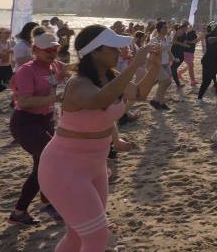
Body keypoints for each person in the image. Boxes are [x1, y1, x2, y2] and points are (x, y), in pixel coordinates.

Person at [38, 25, 160, 251]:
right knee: (97, 237)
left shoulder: (111, 78)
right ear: (95, 51)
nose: (119, 52)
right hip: (64, 169)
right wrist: (134, 65)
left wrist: (154, 65)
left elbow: (141, 93)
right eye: (113, 47)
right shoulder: (78, 83)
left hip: (95, 168)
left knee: (77, 236)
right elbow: (99, 101)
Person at [8, 32, 67, 225]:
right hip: (25, 122)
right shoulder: (26, 70)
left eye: (55, 49)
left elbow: (68, 70)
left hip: (46, 120)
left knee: (42, 165)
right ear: (34, 50)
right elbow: (23, 102)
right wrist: (53, 98)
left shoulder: (54, 65)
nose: (52, 53)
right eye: (47, 49)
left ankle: (21, 212)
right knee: (50, 161)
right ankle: (45, 203)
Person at [198, 20, 217, 101]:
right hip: (208, 61)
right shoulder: (209, 36)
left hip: (216, 60)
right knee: (206, 81)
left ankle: (215, 86)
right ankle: (199, 98)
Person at [149, 20, 173, 110]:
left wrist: (173, 58)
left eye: (167, 27)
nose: (167, 29)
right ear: (159, 29)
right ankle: (156, 101)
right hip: (158, 64)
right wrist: (158, 50)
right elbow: (151, 53)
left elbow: (168, 50)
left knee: (164, 84)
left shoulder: (167, 39)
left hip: (166, 63)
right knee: (167, 81)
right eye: (164, 27)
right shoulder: (154, 40)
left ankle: (159, 101)